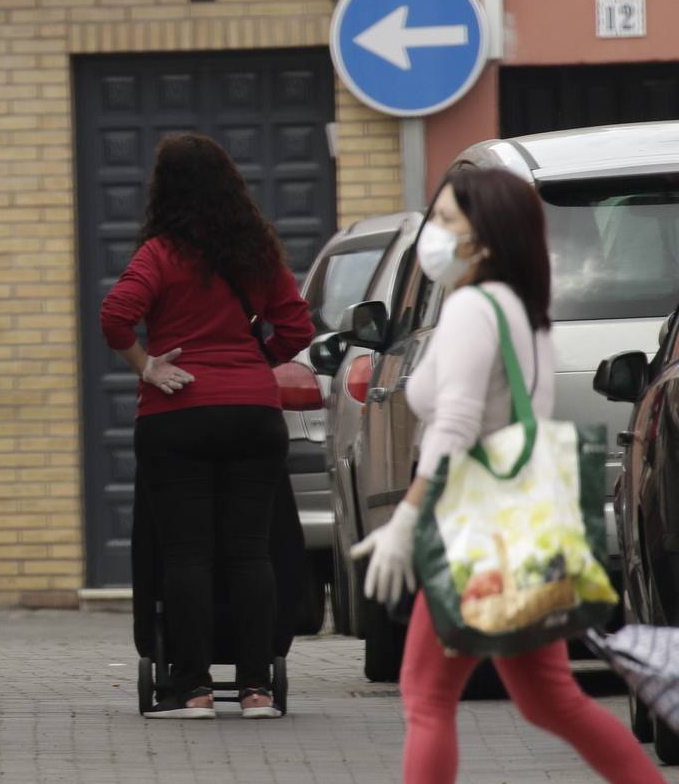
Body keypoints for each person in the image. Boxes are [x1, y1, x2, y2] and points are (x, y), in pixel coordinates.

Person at [351, 164, 662, 782]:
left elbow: (456, 423)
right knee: (552, 701)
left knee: (426, 696)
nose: (430, 236)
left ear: (484, 237)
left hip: (476, 529)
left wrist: (409, 515)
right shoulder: (523, 309)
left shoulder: (472, 307)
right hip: (523, 525)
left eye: (444, 221)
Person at [101, 133, 313, 720]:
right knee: (250, 553)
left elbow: (116, 316)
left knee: (187, 555)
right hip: (252, 417)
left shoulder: (159, 254)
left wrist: (148, 366)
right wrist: (249, 368)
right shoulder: (259, 254)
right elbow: (297, 332)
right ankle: (256, 690)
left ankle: (191, 689)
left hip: (177, 419)